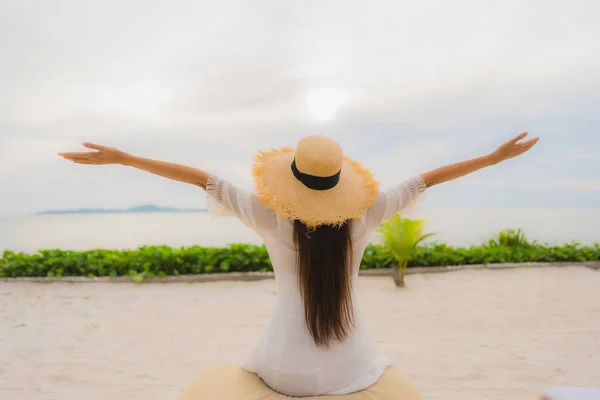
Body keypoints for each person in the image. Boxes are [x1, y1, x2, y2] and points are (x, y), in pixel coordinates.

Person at [59, 132, 539, 397]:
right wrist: (494, 158)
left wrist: (123, 158)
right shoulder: (366, 214)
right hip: (348, 367)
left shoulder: (269, 216)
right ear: (338, 181)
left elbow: (201, 179)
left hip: (283, 368)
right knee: (371, 358)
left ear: (292, 178)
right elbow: (428, 179)